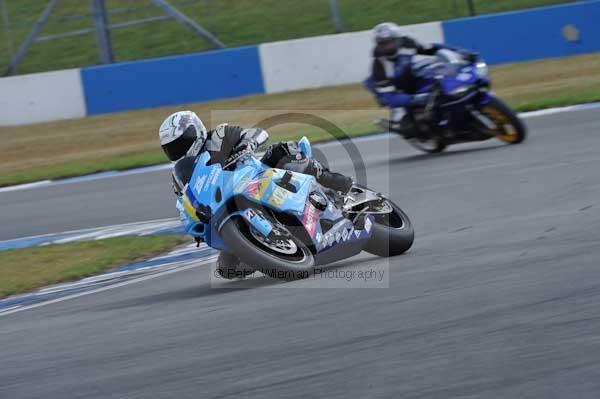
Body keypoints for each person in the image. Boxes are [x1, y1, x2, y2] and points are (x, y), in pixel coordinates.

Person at [158, 110, 353, 273]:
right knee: (227, 268)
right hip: (226, 208)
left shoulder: (218, 136)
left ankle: (339, 186)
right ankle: (272, 247)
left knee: (283, 152)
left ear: (196, 131)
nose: (178, 150)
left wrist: (246, 143)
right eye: (172, 148)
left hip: (259, 176)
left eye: (183, 142)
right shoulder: (180, 175)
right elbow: (184, 202)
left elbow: (257, 133)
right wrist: (196, 220)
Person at [364, 22, 475, 136]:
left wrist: (458, 52)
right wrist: (415, 99)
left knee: (437, 76)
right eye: (383, 44)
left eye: (390, 42)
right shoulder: (379, 67)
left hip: (411, 76)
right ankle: (404, 125)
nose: (387, 47)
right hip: (398, 91)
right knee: (404, 123)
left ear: (397, 40)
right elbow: (388, 97)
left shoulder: (407, 43)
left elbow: (431, 48)